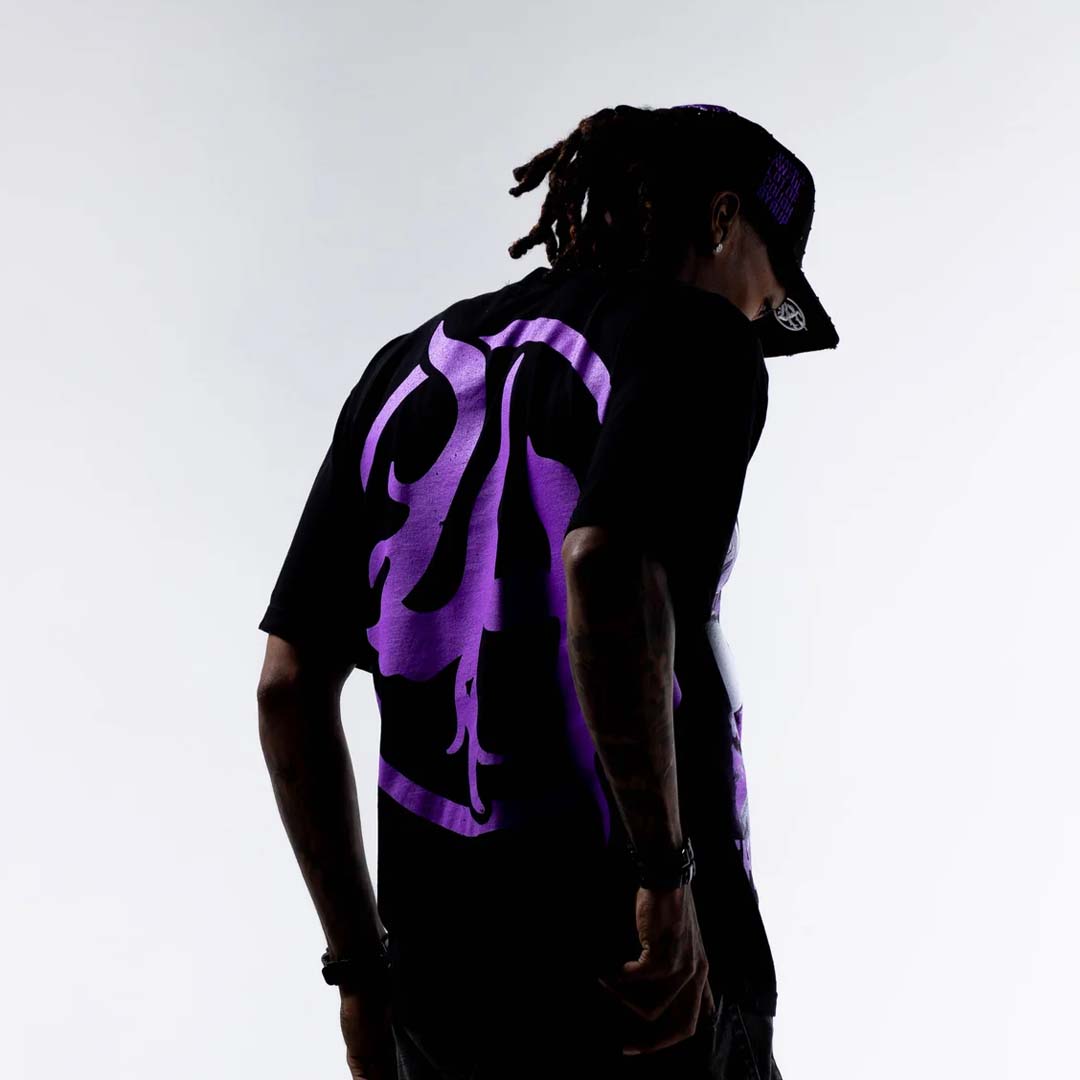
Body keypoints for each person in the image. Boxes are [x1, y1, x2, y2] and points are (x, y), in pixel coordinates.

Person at [255, 102, 839, 1080]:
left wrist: (358, 972)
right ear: (722, 219)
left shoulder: (406, 365)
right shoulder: (699, 337)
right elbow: (604, 565)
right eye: (768, 283)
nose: (757, 315)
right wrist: (664, 879)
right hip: (640, 977)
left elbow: (287, 685)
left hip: (441, 992)